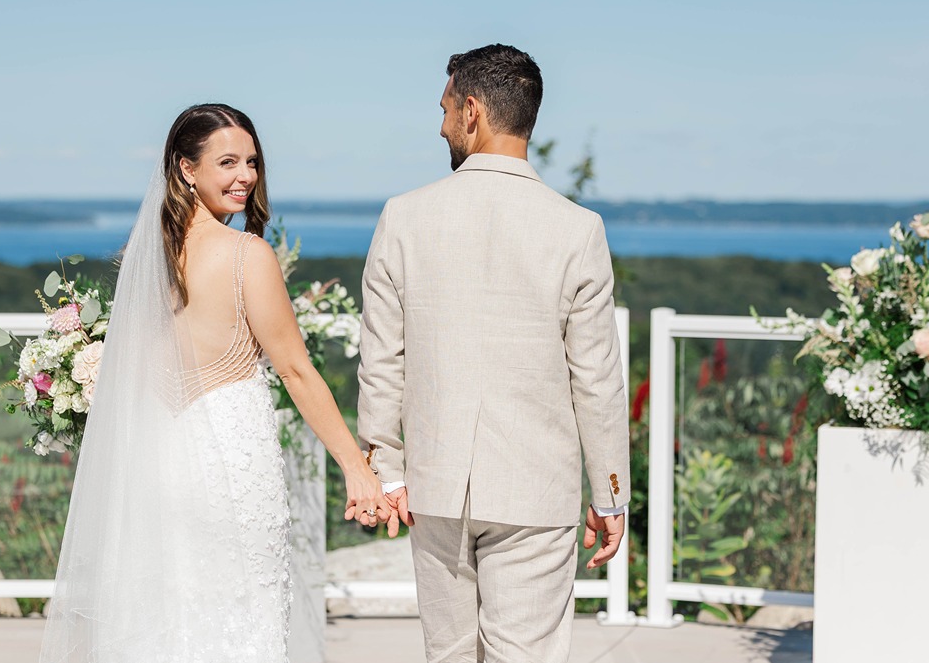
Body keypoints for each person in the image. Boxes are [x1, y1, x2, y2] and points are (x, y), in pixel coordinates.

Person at [39, 103, 390, 662]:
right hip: (231, 465)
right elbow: (296, 371)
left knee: (164, 622)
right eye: (227, 162)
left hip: (158, 465)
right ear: (186, 169)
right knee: (239, 618)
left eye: (251, 162)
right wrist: (356, 466)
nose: (245, 176)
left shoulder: (146, 257)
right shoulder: (248, 255)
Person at [356, 44, 631, 663]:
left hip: (433, 483)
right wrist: (610, 492)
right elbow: (597, 381)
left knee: (448, 655)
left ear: (472, 110)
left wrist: (389, 470)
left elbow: (381, 360)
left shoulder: (402, 217)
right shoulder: (577, 229)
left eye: (447, 107)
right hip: (538, 487)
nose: (442, 123)